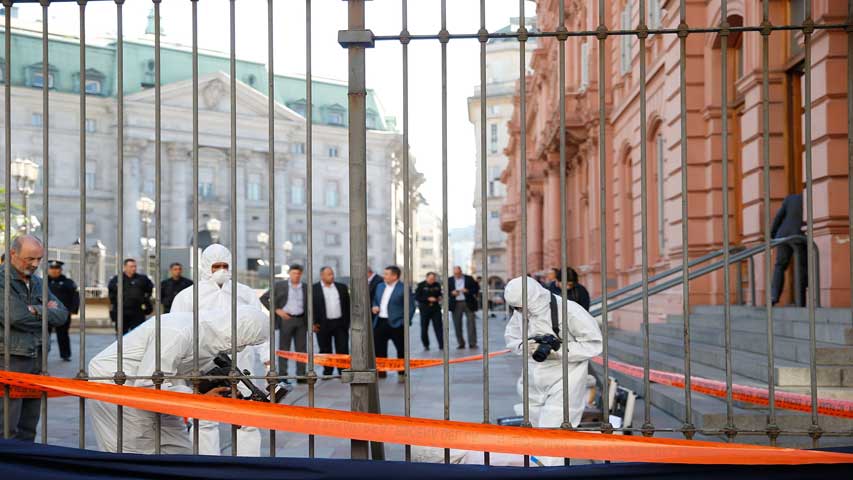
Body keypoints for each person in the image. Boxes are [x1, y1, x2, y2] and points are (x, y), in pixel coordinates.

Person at [88, 306, 268, 454]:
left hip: (161, 390)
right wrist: (200, 398)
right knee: (136, 448)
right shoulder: (180, 331)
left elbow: (191, 375)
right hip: (117, 383)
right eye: (245, 342)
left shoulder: (210, 338)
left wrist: (224, 393)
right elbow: (149, 383)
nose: (241, 349)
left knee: (178, 448)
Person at [169, 243, 268, 457]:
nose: (221, 270)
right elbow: (175, 329)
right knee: (205, 416)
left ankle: (248, 462)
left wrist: (267, 357)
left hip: (242, 360)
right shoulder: (188, 296)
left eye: (225, 265)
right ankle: (207, 460)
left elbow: (259, 325)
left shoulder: (244, 293)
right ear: (206, 266)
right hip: (205, 362)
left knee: (247, 415)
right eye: (216, 266)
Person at [503, 276, 602, 466]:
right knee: (534, 428)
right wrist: (525, 346)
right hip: (533, 376)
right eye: (517, 308)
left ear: (533, 297)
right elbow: (512, 337)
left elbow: (594, 344)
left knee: (555, 428)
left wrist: (560, 351)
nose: (521, 312)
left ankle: (548, 471)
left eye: (522, 307)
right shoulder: (521, 311)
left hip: (566, 375)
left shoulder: (570, 310)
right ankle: (536, 466)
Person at [0, 235, 69, 441]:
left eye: (39, 259)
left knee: (29, 426)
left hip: (37, 357)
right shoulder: (2, 281)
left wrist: (34, 310)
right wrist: (45, 310)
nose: (36, 264)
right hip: (10, 359)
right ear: (13, 254)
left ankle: (25, 460)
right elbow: (15, 317)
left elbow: (62, 315)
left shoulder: (38, 282)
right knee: (7, 427)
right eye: (30, 259)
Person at [261, 264, 308, 383]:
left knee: (302, 349)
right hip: (286, 319)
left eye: (298, 273)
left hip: (301, 320)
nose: (296, 276)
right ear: (289, 273)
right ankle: (283, 376)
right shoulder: (280, 285)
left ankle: (301, 375)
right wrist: (276, 310)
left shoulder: (306, 287)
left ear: (301, 274)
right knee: (284, 349)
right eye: (294, 273)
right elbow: (264, 298)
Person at [371, 265, 415, 382]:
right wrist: (374, 306)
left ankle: (401, 373)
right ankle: (381, 372)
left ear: (395, 276)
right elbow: (375, 300)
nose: (384, 276)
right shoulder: (380, 286)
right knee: (379, 349)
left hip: (397, 324)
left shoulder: (404, 288)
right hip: (380, 322)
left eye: (386, 274)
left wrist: (404, 322)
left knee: (401, 350)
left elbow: (411, 307)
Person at [312, 266, 350, 376]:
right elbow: (309, 306)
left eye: (332, 273)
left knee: (343, 348)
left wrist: (347, 322)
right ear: (322, 276)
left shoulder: (342, 287)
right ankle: (327, 371)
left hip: (340, 323)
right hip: (322, 324)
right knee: (325, 348)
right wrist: (312, 323)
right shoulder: (314, 289)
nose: (332, 276)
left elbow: (347, 305)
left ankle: (343, 371)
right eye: (329, 274)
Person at [770, 192, 807, 306]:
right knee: (801, 268)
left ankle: (774, 296)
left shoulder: (791, 198)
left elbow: (778, 217)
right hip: (799, 235)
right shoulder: (813, 197)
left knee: (780, 265)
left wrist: (773, 235)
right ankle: (800, 300)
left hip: (783, 235)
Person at [108, 258, 154, 334]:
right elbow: (111, 295)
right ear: (125, 267)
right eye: (131, 266)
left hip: (137, 311)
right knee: (121, 335)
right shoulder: (117, 279)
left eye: (135, 266)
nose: (134, 268)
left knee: (138, 334)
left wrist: (145, 301)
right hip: (122, 311)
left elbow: (149, 290)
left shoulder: (142, 279)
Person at [46, 260, 80, 362]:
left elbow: (75, 297)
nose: (54, 271)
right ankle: (42, 355)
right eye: (52, 268)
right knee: (44, 335)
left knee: (63, 335)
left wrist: (72, 310)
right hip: (46, 313)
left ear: (60, 270)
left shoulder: (68, 282)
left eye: (57, 268)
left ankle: (65, 354)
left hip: (62, 313)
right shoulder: (42, 282)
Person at [448, 266, 479, 349]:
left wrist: (467, 291)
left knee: (471, 323)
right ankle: (461, 343)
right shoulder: (449, 280)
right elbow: (446, 292)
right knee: (457, 324)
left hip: (468, 303)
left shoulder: (469, 278)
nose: (457, 275)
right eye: (455, 274)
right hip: (455, 304)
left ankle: (472, 343)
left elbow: (476, 289)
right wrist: (452, 293)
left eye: (458, 273)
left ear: (461, 272)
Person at [414, 272, 443, 351]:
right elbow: (417, 297)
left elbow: (440, 294)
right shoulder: (421, 285)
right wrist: (427, 299)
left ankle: (441, 345)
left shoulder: (437, 285)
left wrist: (439, 297)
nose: (432, 280)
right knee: (424, 328)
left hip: (435, 309)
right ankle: (426, 345)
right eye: (430, 279)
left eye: (433, 279)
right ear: (426, 278)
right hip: (425, 309)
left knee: (439, 327)